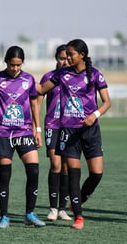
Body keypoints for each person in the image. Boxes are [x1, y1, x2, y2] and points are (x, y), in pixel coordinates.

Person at [37, 39, 111, 229]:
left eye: (70, 54)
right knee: (72, 175)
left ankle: (79, 200)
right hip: (68, 132)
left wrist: (94, 115)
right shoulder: (62, 74)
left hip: (90, 130)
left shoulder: (95, 75)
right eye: (66, 54)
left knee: (97, 173)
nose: (67, 58)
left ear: (82, 55)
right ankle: (78, 216)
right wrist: (22, 80)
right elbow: (41, 89)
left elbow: (106, 102)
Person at [0, 45, 46, 229]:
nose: (15, 68)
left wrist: (37, 129)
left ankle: (29, 213)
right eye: (12, 64)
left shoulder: (28, 79)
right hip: (3, 134)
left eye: (18, 65)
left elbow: (34, 104)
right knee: (4, 175)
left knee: (34, 171)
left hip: (24, 132)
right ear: (6, 61)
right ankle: (4, 217)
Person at [37, 44, 72, 221]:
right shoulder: (49, 77)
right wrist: (36, 128)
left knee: (66, 167)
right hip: (52, 125)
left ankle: (63, 209)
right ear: (56, 58)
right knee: (56, 165)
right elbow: (37, 102)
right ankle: (52, 208)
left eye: (67, 58)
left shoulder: (75, 77)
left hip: (70, 126)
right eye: (61, 58)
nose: (65, 61)